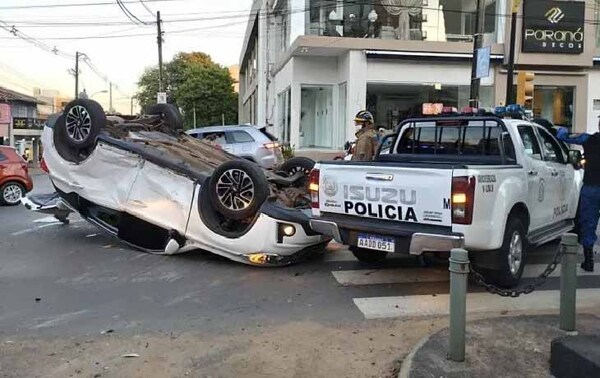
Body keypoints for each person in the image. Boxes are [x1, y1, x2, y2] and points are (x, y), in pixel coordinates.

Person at [557, 125, 600, 272]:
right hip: (592, 188)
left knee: (588, 223)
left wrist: (561, 130)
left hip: (591, 188)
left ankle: (588, 261)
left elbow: (563, 136)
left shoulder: (589, 139)